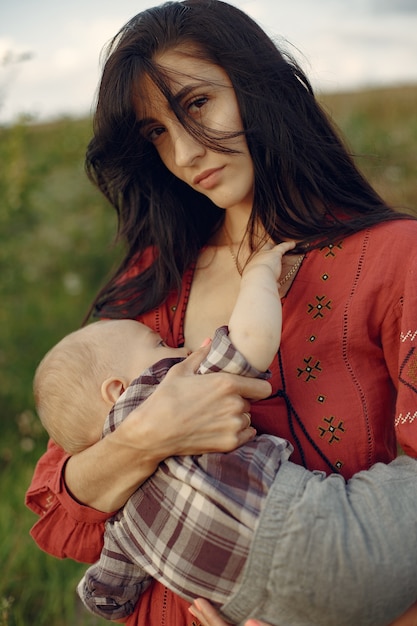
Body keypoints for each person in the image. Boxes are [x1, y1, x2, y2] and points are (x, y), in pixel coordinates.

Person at [25, 1, 417, 625]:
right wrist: (148, 436)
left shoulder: (397, 259)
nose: (182, 154)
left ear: (259, 87)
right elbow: (62, 512)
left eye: (197, 105)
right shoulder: (153, 276)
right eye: (155, 132)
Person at [33, 245, 417, 626]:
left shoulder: (122, 522)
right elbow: (250, 341)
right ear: (118, 390)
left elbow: (109, 590)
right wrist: (258, 278)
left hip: (261, 610)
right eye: (160, 345)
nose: (179, 348)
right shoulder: (166, 388)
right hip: (317, 532)